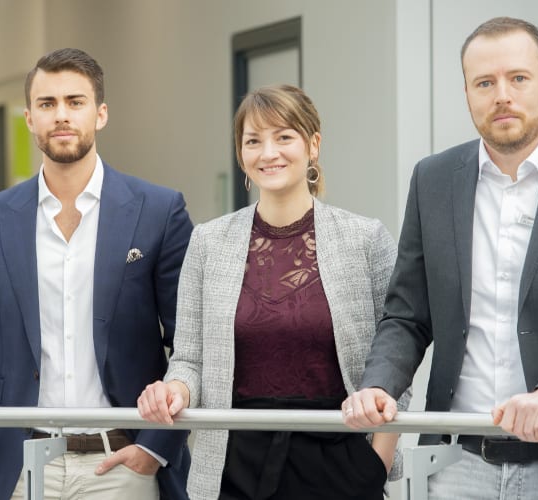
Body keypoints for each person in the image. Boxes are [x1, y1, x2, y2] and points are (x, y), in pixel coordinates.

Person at [343, 16, 538, 500]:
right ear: (466, 92)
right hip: (457, 465)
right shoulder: (433, 180)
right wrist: (379, 384)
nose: (501, 95)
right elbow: (407, 313)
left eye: (518, 78)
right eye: (484, 82)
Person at [0, 48, 193, 500]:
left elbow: (191, 341)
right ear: (28, 118)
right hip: (19, 466)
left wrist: (154, 450)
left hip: (123, 463)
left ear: (100, 114)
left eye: (75, 102)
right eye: (47, 104)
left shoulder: (159, 211)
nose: (61, 115)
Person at [138, 84, 408, 500]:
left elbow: (396, 351)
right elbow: (189, 359)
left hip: (340, 458)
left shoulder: (366, 239)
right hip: (235, 461)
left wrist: (378, 461)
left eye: (284, 137)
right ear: (241, 154)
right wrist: (174, 390)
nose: (269, 152)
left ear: (313, 145)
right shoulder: (209, 243)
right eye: (253, 141)